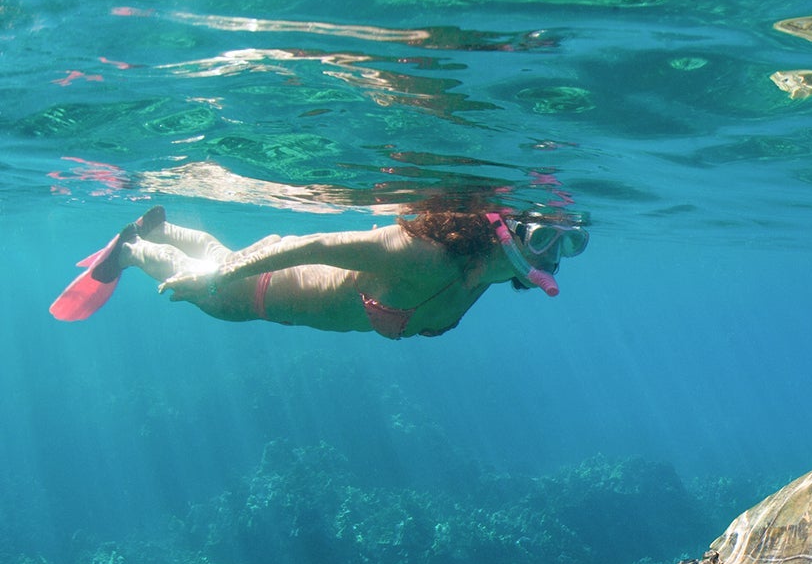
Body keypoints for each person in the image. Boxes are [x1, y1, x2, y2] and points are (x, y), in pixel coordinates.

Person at [49, 196, 588, 338]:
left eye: (570, 243)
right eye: (543, 237)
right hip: (259, 288)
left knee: (215, 256)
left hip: (273, 292)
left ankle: (161, 229)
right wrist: (216, 279)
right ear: (504, 229)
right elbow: (313, 245)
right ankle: (132, 249)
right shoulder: (421, 254)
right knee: (201, 287)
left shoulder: (481, 273)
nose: (555, 257)